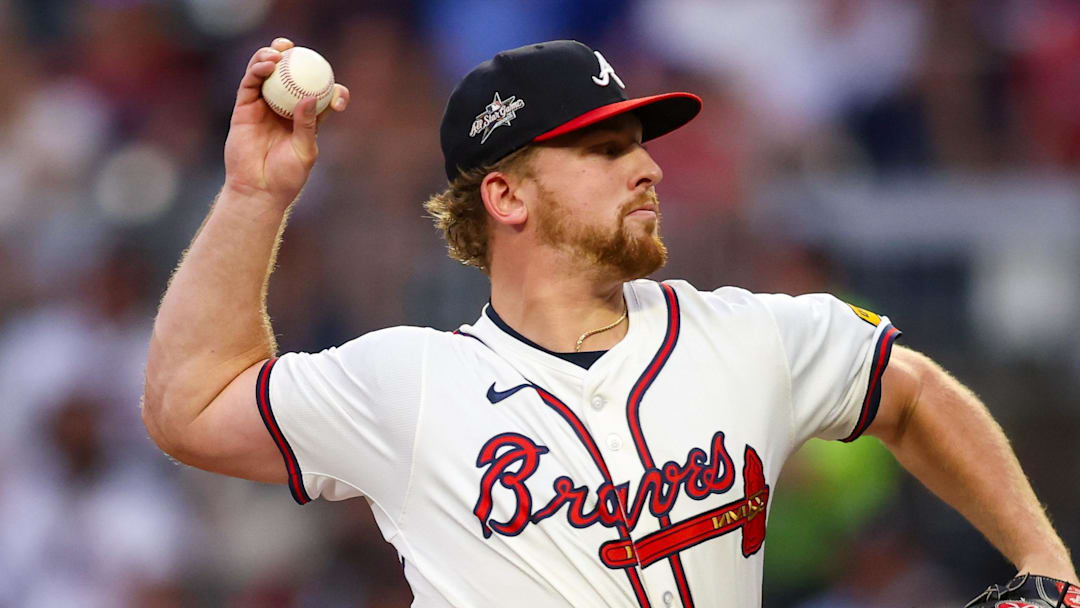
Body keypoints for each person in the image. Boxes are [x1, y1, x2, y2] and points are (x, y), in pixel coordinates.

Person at [142, 37, 1076, 607]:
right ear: (505, 195)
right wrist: (254, 193)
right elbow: (189, 406)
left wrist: (1043, 558)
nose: (650, 169)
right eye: (602, 150)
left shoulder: (746, 336)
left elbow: (906, 389)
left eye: (639, 144)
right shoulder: (410, 382)